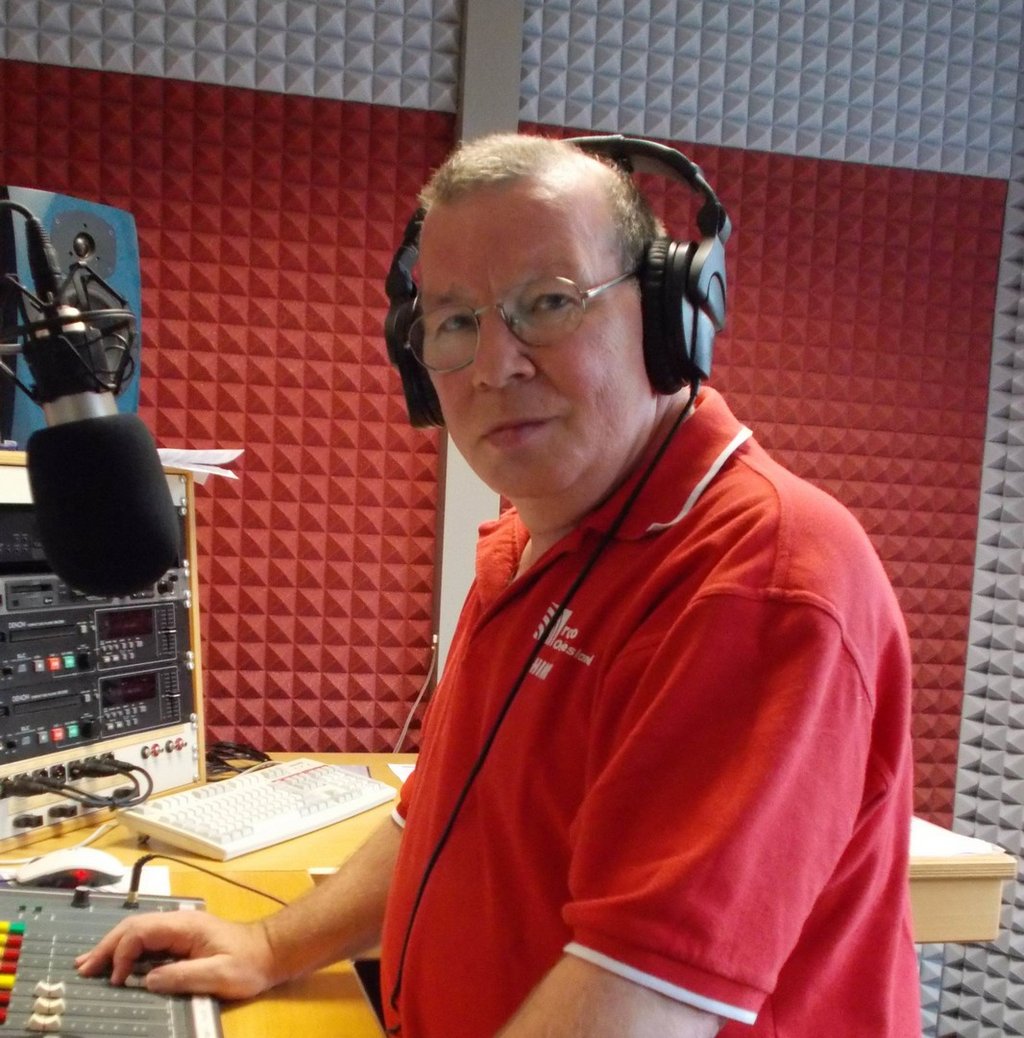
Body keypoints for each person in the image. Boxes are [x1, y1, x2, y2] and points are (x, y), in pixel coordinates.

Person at [77, 134, 920, 1037]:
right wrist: (272, 946)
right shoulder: (533, 539)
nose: (493, 365)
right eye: (454, 322)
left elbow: (636, 1001)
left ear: (667, 315)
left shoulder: (762, 584)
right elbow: (442, 820)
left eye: (548, 303)